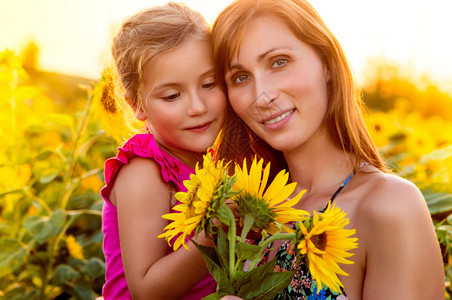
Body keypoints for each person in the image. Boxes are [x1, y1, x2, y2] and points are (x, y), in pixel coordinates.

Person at [212, 0, 445, 299]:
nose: (262, 96)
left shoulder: (389, 206)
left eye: (279, 62)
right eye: (240, 77)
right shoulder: (248, 215)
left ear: (327, 63)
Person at [100, 2, 226, 299]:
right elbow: (147, 290)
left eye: (210, 83)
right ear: (136, 106)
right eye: (172, 96)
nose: (198, 107)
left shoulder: (211, 160)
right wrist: (215, 231)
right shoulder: (145, 171)